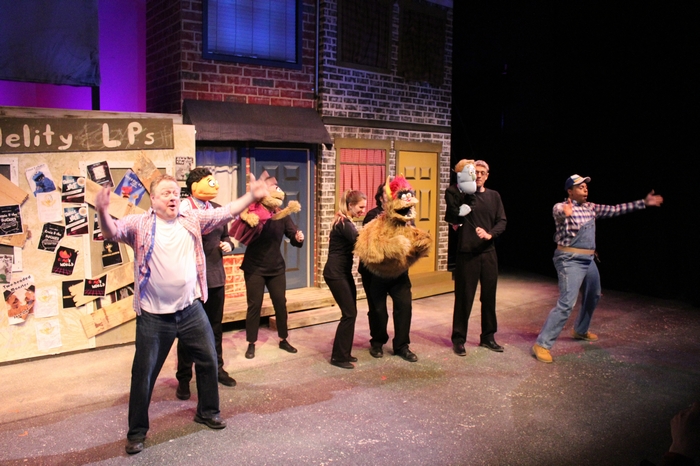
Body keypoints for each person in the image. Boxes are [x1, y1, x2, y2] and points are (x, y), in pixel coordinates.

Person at [95, 171, 274, 454]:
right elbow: (111, 232)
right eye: (165, 193)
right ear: (153, 199)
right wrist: (102, 212)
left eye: (175, 193)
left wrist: (252, 196)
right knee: (143, 374)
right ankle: (137, 432)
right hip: (154, 316)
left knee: (208, 360)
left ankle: (208, 412)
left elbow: (225, 212)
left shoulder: (191, 219)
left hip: (190, 309)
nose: (172, 197)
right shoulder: (139, 223)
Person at [532, 174, 664, 363]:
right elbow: (559, 211)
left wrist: (643, 202)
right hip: (569, 260)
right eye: (580, 187)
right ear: (570, 191)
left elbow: (616, 209)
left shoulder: (591, 207)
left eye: (586, 186)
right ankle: (542, 344)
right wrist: (565, 212)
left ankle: (580, 330)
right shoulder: (561, 206)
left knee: (593, 294)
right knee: (567, 303)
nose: (585, 189)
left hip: (588, 259)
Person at [175, 168, 236, 403]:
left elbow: (225, 236)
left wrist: (228, 244)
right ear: (194, 187)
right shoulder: (183, 211)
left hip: (215, 277)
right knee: (187, 332)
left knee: (215, 328)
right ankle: (184, 377)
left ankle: (217, 368)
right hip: (190, 281)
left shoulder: (218, 210)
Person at [355, 177, 430, 362]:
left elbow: (413, 238)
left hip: (400, 273)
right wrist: (392, 246)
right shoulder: (373, 216)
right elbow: (368, 247)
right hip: (377, 274)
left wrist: (420, 245)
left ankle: (402, 346)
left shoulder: (405, 217)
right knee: (378, 310)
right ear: (382, 197)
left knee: (404, 307)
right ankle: (377, 342)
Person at [445, 159, 507, 356]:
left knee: (489, 297)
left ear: (487, 176)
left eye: (482, 173)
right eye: (475, 172)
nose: (478, 175)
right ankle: (459, 339)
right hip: (467, 253)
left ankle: (488, 337)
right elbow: (451, 216)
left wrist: (490, 234)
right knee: (464, 298)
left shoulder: (494, 196)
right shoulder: (462, 195)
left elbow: (502, 221)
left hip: (488, 253)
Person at [240, 184, 304, 360]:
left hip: (275, 267)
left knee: (280, 304)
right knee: (254, 305)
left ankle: (283, 339)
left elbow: (292, 235)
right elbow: (243, 232)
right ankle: (251, 342)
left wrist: (298, 238)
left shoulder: (282, 215)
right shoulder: (254, 213)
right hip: (254, 267)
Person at [324, 190, 367, 369]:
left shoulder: (346, 221)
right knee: (349, 314)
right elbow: (361, 243)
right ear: (350, 205)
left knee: (351, 313)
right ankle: (338, 357)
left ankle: (345, 352)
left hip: (343, 272)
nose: (363, 210)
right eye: (360, 207)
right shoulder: (343, 223)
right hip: (335, 273)